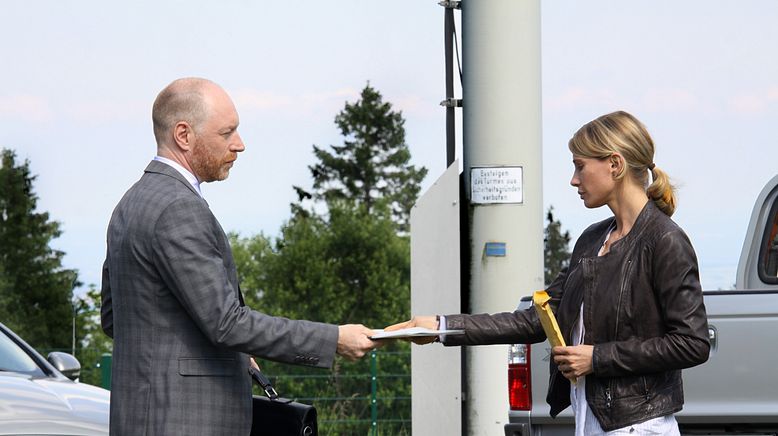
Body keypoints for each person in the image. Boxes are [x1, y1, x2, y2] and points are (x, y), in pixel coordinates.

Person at [387, 111, 710, 434]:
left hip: (641, 427)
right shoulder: (592, 240)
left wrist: (598, 358)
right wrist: (441, 327)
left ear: (615, 164)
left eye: (580, 166)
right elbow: (533, 320)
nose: (573, 179)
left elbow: (691, 342)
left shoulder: (665, 240)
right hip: (591, 422)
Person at [101, 77, 377, 436]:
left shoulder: (131, 203)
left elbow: (115, 318)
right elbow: (227, 323)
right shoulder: (178, 208)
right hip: (187, 422)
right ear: (184, 135)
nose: (239, 144)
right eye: (227, 133)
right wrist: (333, 339)